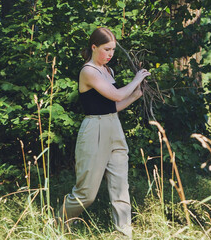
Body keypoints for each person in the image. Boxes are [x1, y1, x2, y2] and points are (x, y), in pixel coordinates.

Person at [58, 27, 150, 238]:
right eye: (106, 49)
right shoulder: (88, 71)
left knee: (120, 187)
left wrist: (136, 94)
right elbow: (116, 95)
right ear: (94, 47)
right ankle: (56, 224)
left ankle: (125, 233)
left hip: (113, 126)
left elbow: (112, 106)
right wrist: (136, 79)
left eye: (113, 50)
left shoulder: (109, 72)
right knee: (86, 194)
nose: (110, 54)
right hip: (94, 130)